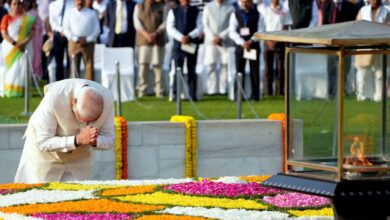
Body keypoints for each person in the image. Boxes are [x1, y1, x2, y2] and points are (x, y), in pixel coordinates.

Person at [15, 79, 115, 183]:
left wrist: (95, 141)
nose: (85, 125)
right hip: (44, 158)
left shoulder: (107, 99)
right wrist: (77, 140)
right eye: (81, 119)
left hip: (80, 160)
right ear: (74, 103)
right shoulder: (54, 97)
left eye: (92, 122)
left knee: (81, 197)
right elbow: (43, 142)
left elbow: (110, 138)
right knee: (37, 195)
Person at [229, 0, 264, 101]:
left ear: (251, 2)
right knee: (239, 71)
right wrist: (242, 42)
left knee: (254, 71)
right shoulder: (235, 14)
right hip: (241, 47)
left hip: (253, 46)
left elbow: (261, 30)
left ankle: (255, 96)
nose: (245, 4)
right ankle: (238, 96)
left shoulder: (258, 14)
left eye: (247, 2)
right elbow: (232, 31)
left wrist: (251, 41)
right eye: (243, 2)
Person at [167, 0, 202, 101]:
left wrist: (190, 36)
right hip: (178, 45)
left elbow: (200, 26)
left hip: (191, 44)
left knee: (192, 69)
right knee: (178, 70)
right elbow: (170, 28)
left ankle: (192, 94)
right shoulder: (174, 11)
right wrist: (181, 37)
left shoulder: (196, 11)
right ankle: (175, 94)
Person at [355, 0, 390, 101]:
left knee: (380, 73)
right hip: (364, 45)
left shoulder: (386, 11)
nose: (374, 1)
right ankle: (362, 95)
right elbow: (357, 26)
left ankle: (380, 96)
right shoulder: (363, 10)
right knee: (363, 72)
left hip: (380, 45)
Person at [1, 0, 35, 97]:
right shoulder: (6, 17)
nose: (17, 6)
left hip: (24, 47)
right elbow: (4, 33)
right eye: (14, 4)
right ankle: (9, 91)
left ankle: (20, 91)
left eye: (19, 4)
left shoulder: (28, 19)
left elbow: (31, 33)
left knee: (21, 68)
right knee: (9, 69)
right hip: (9, 47)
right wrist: (15, 43)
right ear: (10, 5)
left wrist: (23, 43)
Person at [133, 0, 165, 98]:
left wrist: (155, 34)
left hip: (157, 41)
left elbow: (165, 22)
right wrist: (146, 35)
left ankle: (159, 92)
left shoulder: (161, 7)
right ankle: (142, 91)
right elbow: (137, 23)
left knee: (158, 67)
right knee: (143, 67)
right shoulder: (138, 7)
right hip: (143, 41)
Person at [202, 0, 235, 95]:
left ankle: (223, 89)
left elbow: (231, 25)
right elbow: (205, 24)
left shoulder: (230, 7)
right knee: (211, 65)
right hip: (210, 42)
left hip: (225, 42)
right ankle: (211, 90)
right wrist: (213, 38)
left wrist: (221, 36)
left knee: (225, 65)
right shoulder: (208, 7)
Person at [63, 0, 100, 81]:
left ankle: (89, 89)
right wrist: (76, 39)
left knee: (89, 66)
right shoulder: (69, 12)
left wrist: (88, 39)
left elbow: (97, 29)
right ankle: (75, 90)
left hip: (88, 43)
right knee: (74, 67)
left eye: (82, 0)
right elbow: (66, 29)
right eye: (77, 0)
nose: (79, 2)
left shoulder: (92, 13)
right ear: (74, 1)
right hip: (74, 43)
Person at [262, 0, 288, 96]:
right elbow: (263, 27)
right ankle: (267, 91)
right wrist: (268, 40)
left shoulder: (284, 11)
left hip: (280, 41)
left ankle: (280, 91)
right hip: (268, 42)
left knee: (280, 68)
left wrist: (278, 39)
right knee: (268, 68)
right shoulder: (266, 10)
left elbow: (286, 26)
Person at [49, 0, 73, 82]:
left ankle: (70, 82)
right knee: (58, 61)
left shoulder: (72, 3)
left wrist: (67, 31)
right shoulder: (53, 5)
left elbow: (73, 19)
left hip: (70, 35)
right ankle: (59, 83)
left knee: (70, 62)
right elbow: (52, 21)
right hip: (58, 35)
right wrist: (61, 30)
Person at [24, 0, 43, 79]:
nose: (26, 3)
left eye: (27, 1)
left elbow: (40, 26)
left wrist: (33, 28)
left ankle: (35, 80)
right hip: (22, 41)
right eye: (24, 2)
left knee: (34, 58)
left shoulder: (34, 13)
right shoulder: (19, 13)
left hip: (33, 40)